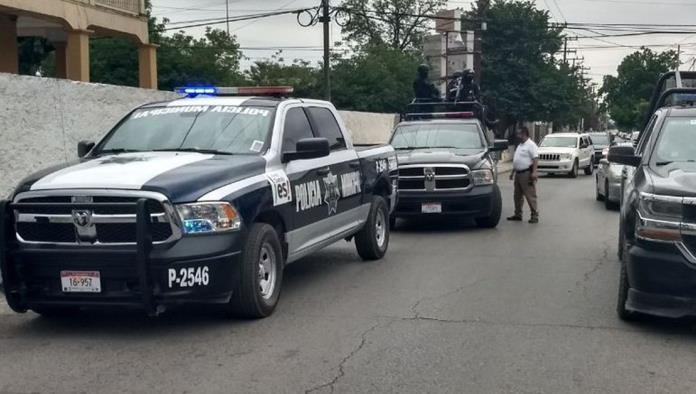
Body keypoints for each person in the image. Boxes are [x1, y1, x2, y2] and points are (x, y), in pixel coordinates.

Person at [507, 126, 540, 223]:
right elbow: (517, 160)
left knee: (530, 195)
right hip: (518, 173)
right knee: (517, 195)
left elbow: (535, 159)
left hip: (526, 173)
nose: (517, 136)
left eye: (519, 134)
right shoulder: (520, 145)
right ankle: (518, 214)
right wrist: (512, 172)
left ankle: (534, 215)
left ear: (524, 134)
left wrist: (534, 172)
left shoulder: (531, 145)